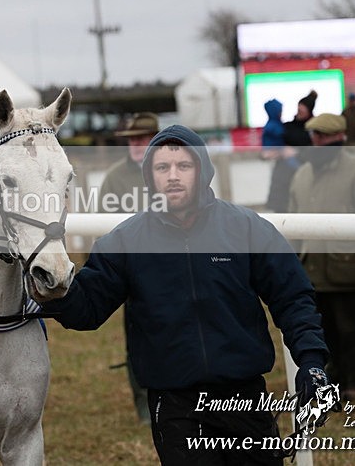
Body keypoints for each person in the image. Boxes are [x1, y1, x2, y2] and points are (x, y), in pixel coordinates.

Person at [41, 125, 329, 465]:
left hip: (245, 398)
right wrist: (49, 278)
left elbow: (293, 297)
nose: (173, 176)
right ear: (150, 176)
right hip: (175, 404)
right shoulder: (125, 242)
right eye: (162, 168)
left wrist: (311, 361)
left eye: (184, 166)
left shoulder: (245, 228)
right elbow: (86, 310)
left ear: (203, 170)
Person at [288, 113, 355, 401]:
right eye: (313, 136)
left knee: (354, 328)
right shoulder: (301, 174)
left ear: (339, 139)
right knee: (323, 329)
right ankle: (332, 384)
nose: (316, 142)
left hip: (347, 266)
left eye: (322, 137)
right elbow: (294, 220)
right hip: (312, 269)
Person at [98, 112, 160, 425]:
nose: (136, 144)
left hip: (176, 268)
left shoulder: (173, 171)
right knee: (138, 342)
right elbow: (103, 230)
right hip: (135, 274)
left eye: (142, 138)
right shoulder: (114, 178)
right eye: (132, 139)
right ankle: (145, 405)